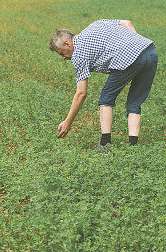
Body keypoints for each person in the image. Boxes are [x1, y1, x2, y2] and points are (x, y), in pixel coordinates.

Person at [49, 19, 158, 153]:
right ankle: (133, 147)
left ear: (67, 44)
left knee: (106, 98)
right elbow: (127, 23)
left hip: (128, 57)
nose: (64, 58)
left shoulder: (78, 54)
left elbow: (81, 93)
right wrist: (134, 47)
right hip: (150, 50)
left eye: (62, 53)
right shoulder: (96, 24)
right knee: (134, 102)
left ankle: (105, 144)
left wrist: (68, 122)